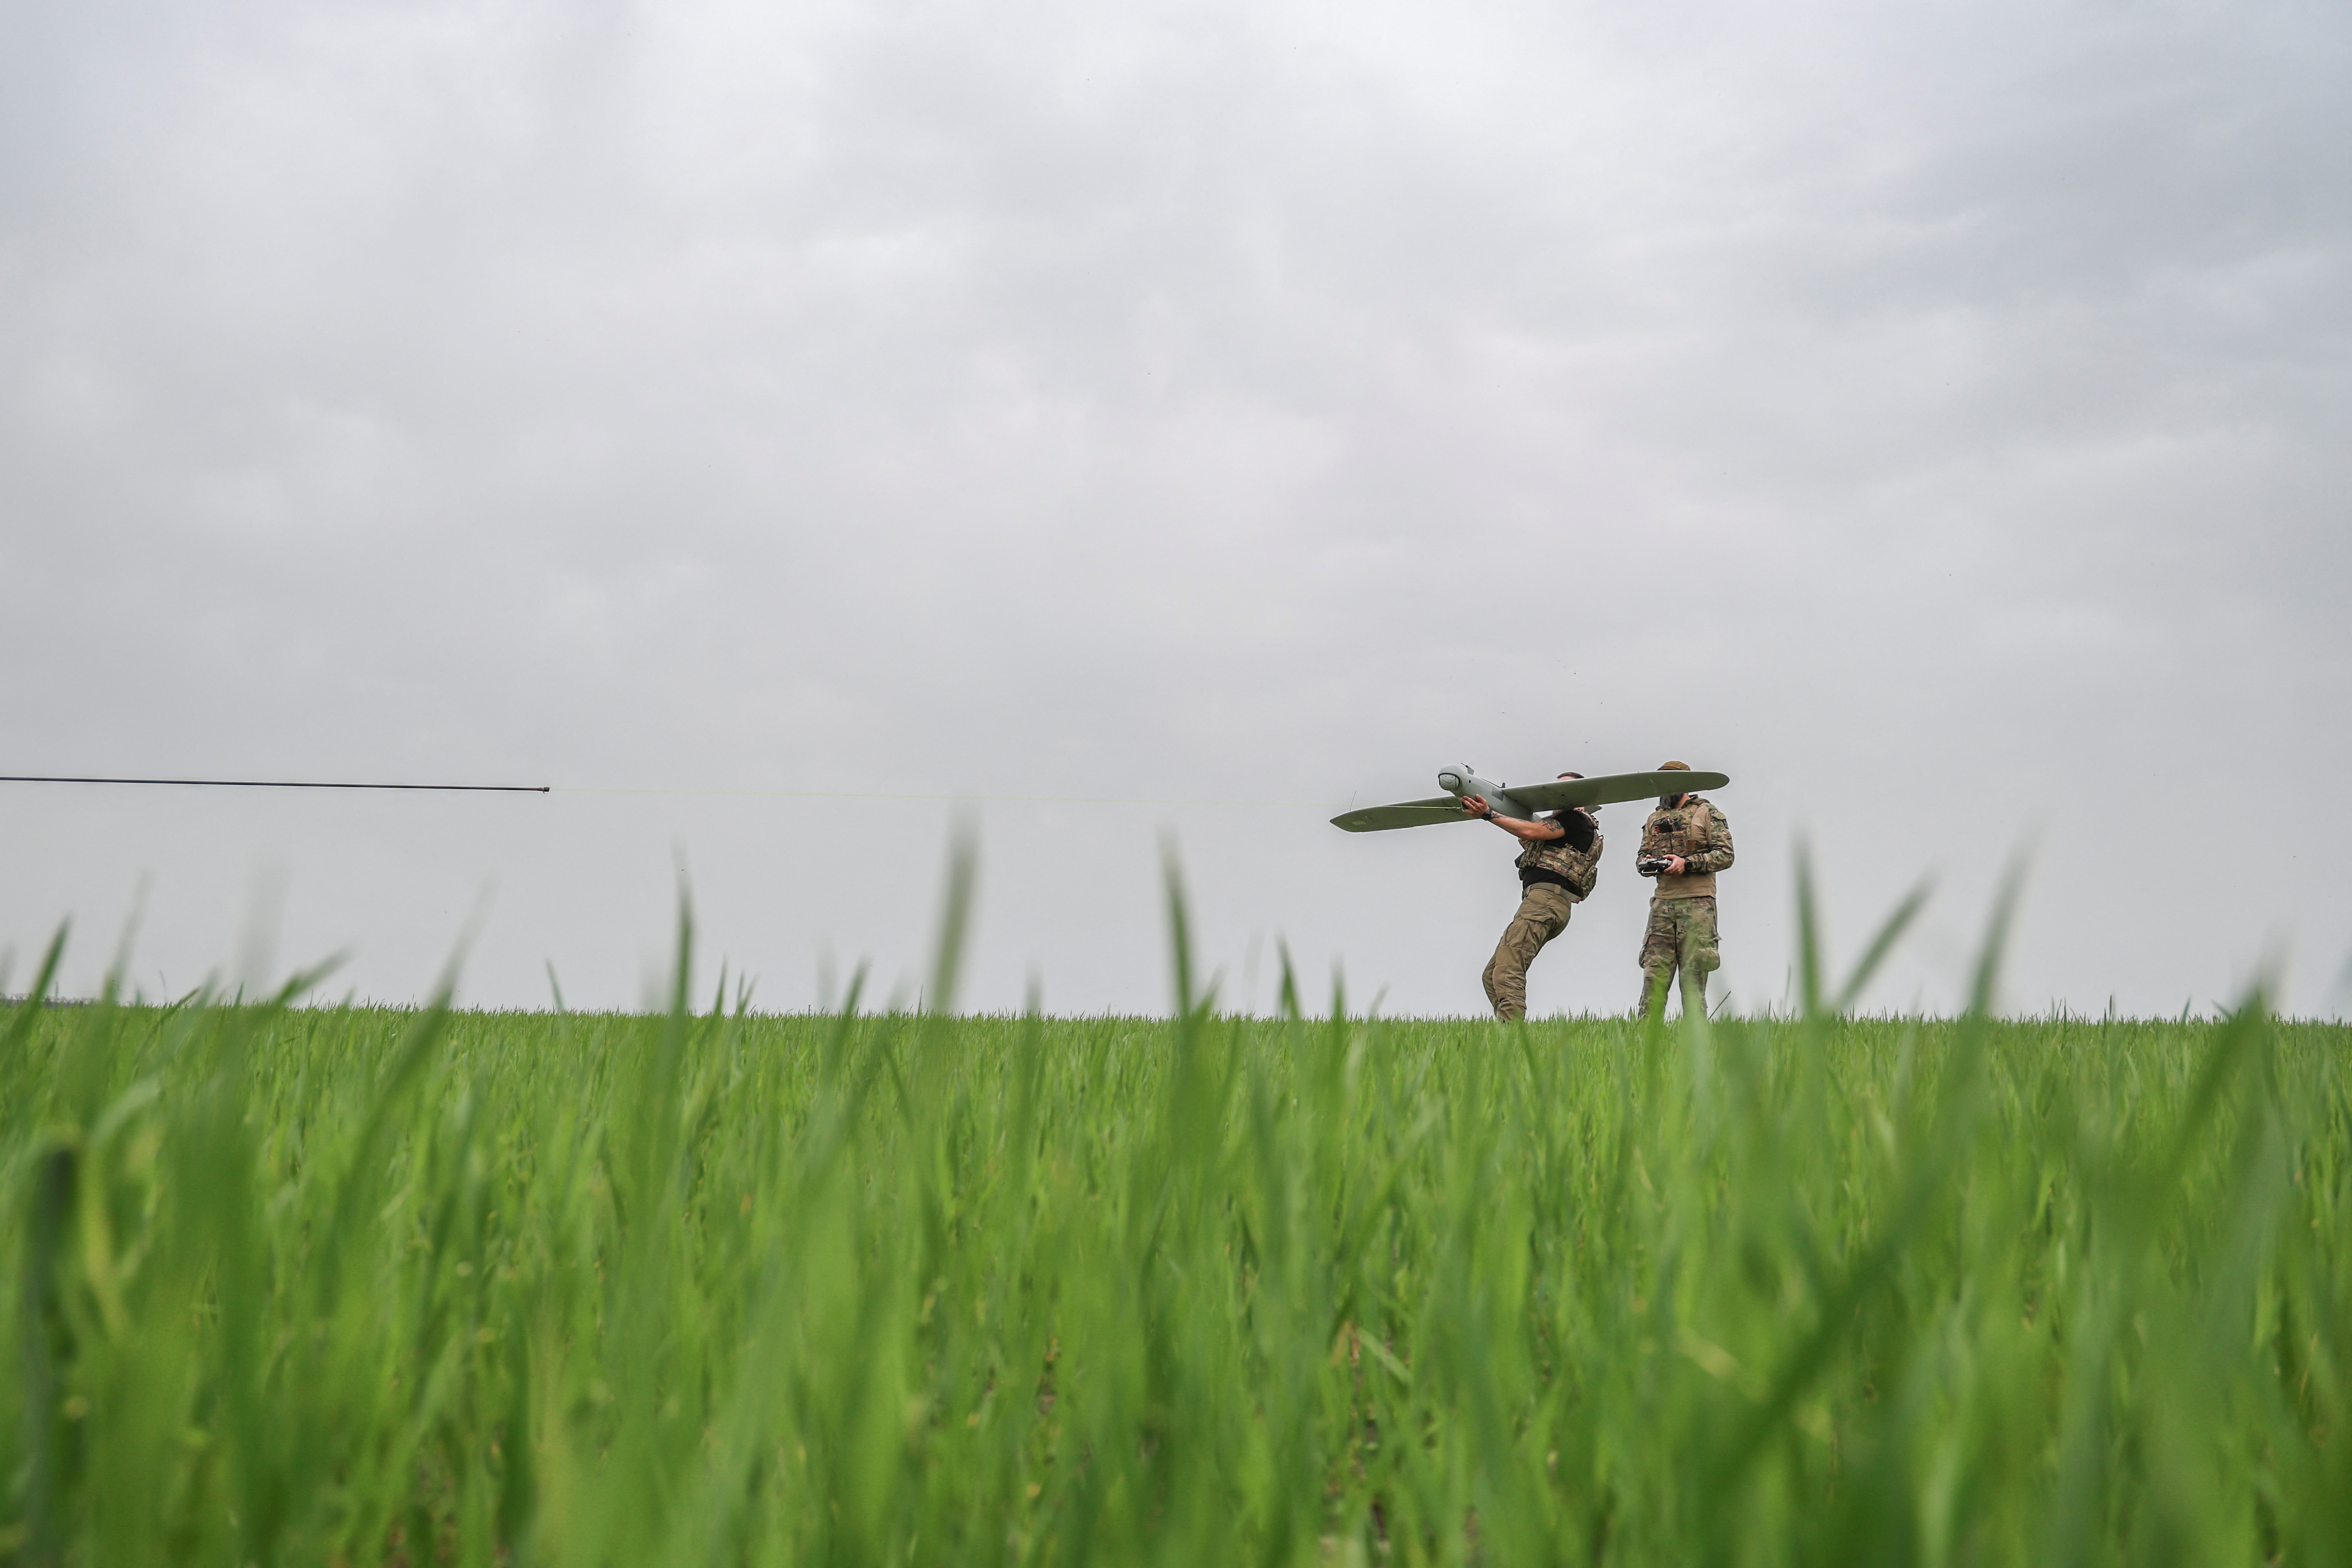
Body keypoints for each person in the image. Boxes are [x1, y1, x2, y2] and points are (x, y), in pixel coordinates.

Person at [1460, 773, 1605, 1022]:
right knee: (1493, 973)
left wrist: (1489, 814)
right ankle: (1508, 1030)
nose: (1559, 795)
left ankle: (1513, 1036)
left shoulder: (1576, 819)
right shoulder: (1571, 827)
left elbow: (1532, 830)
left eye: (1568, 789)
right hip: (1546, 903)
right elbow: (1531, 836)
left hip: (1545, 902)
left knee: (1509, 968)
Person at [1634, 760, 1734, 1018]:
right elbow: (1642, 855)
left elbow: (1726, 855)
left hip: (1698, 905)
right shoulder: (1654, 818)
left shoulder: (1708, 813)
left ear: (1686, 785)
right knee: (1654, 976)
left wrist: (1687, 864)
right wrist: (1648, 865)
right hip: (1662, 906)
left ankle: (1696, 1040)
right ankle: (1646, 1040)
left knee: (1693, 979)